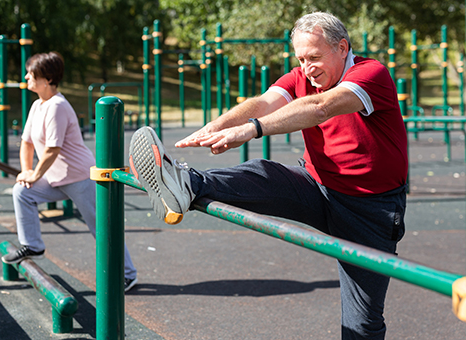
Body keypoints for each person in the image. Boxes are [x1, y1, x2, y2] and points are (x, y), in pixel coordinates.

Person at [129, 12, 408, 338]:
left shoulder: (370, 74)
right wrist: (217, 126)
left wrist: (251, 130)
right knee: (263, 173)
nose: (308, 67)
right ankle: (186, 184)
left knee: (362, 321)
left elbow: (321, 107)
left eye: (315, 57)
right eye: (301, 58)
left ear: (342, 47)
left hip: (369, 207)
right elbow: (263, 103)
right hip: (316, 186)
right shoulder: (300, 77)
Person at [1, 52, 138, 292]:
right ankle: (32, 245)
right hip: (55, 179)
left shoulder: (57, 106)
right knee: (22, 192)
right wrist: (26, 172)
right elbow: (27, 143)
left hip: (80, 177)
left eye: (31, 74)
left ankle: (127, 274)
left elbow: (52, 149)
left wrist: (34, 174)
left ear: (47, 79)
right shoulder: (37, 106)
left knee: (101, 226)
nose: (26, 77)